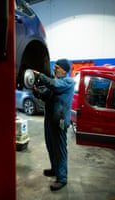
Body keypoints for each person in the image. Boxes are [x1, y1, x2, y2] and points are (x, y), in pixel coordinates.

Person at [32, 59, 74, 191]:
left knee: (60, 149)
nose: (54, 69)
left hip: (60, 121)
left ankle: (62, 178)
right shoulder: (55, 83)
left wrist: (40, 75)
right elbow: (46, 95)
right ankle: (55, 169)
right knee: (50, 145)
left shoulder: (68, 82)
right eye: (54, 67)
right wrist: (36, 91)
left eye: (57, 67)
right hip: (50, 120)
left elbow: (54, 85)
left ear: (64, 70)